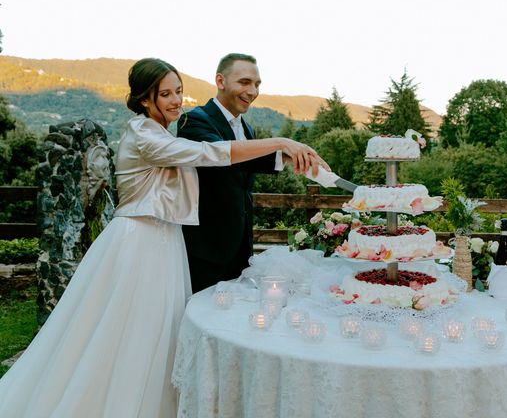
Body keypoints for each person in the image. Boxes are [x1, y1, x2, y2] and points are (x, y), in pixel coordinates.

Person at [0, 58, 325, 417]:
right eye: (165, 94)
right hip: (139, 243)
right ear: (143, 99)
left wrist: (284, 155)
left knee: (163, 335)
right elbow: (210, 153)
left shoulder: (160, 132)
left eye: (179, 92)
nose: (176, 101)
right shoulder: (144, 134)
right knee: (133, 336)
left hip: (166, 243)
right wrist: (280, 140)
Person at [178, 53, 301, 292]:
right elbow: (227, 158)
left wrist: (289, 157)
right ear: (220, 81)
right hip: (205, 251)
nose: (253, 91)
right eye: (244, 82)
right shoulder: (193, 121)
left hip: (241, 249)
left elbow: (248, 166)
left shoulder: (247, 128)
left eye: (257, 84)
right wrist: (280, 143)